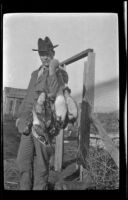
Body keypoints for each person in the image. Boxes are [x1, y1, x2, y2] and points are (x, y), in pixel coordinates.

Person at [16, 36, 68, 190]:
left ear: (52, 52)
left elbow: (54, 94)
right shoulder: (34, 74)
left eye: (47, 53)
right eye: (41, 54)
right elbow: (28, 97)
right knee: (22, 162)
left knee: (42, 166)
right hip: (28, 123)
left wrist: (52, 69)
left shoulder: (60, 73)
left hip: (44, 126)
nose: (44, 57)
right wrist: (20, 116)